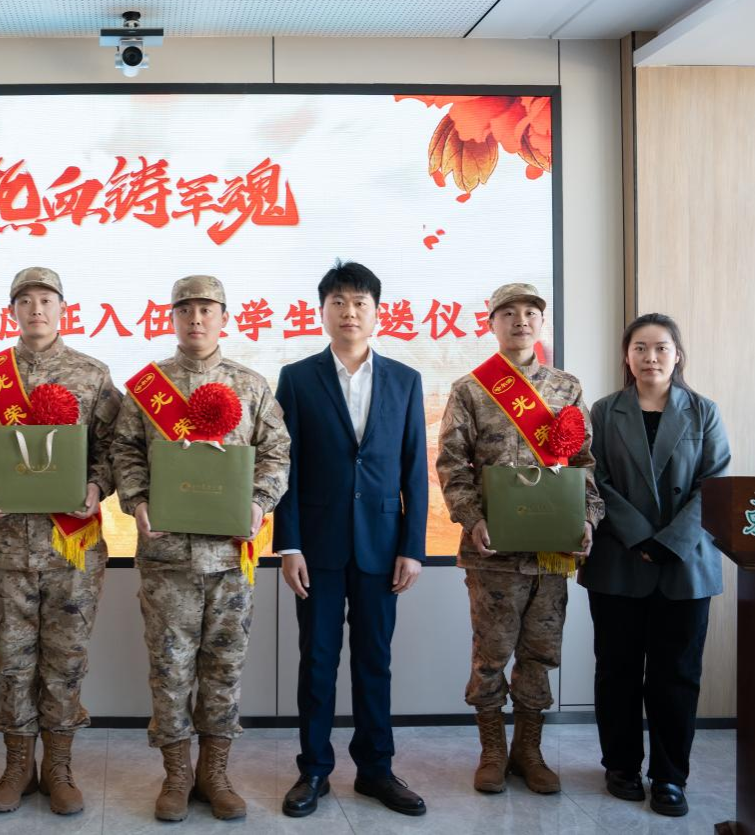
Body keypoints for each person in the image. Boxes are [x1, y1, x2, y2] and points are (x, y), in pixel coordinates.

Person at [112, 275, 290, 822]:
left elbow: (276, 454)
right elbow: (124, 452)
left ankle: (215, 774)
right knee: (169, 672)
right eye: (185, 309)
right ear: (171, 318)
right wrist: (138, 500)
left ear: (224, 317)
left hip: (231, 560)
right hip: (167, 560)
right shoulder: (149, 387)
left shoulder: (251, 385)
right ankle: (177, 775)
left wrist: (259, 502)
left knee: (224, 670)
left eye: (207, 309)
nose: (196, 319)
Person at [436, 282, 604, 795]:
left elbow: (584, 464)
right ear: (492, 323)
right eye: (509, 313)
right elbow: (452, 464)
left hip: (551, 552)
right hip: (492, 552)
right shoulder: (471, 389)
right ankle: (492, 750)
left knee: (540, 653)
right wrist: (472, 518)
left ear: (541, 322)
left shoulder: (566, 388)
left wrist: (587, 519)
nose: (521, 320)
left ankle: (529, 750)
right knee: (491, 654)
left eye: (531, 312)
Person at [274, 261, 428, 818]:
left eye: (360, 302)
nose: (349, 311)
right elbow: (284, 468)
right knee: (316, 661)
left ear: (377, 312)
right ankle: (314, 769)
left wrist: (412, 547)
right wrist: (289, 545)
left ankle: (375, 769)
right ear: (322, 311)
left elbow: (414, 469)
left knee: (374, 661)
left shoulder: (405, 380)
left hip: (382, 547)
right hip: (316, 547)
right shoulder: (297, 378)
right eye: (338, 301)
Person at [0, 267, 121, 816]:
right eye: (25, 300)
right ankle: (17, 767)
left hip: (71, 547)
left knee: (66, 660)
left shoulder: (92, 374)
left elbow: (115, 448)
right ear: (11, 310)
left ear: (63, 308)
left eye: (46, 300)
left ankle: (58, 766)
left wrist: (97, 486)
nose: (36, 309)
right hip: (8, 545)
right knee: (13, 662)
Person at [581, 313, 730, 817]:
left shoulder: (703, 411)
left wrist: (670, 542)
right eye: (640, 348)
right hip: (620, 560)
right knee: (616, 670)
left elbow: (715, 484)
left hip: (685, 562)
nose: (651, 357)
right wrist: (640, 536)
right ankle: (621, 765)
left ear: (677, 355)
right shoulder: (604, 411)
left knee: (677, 675)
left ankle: (669, 776)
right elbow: (594, 478)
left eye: (661, 347)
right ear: (627, 356)